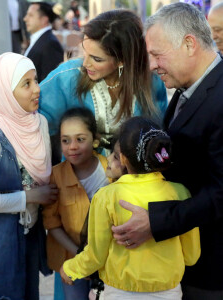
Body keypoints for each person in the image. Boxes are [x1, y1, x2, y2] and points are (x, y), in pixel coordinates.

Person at [111, 3, 223, 299]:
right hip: (186, 263)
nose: (151, 66)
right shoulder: (189, 88)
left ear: (189, 44)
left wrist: (155, 222)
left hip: (212, 270)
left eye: (157, 54)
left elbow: (221, 191)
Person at [0, 9, 168, 164]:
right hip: (78, 189)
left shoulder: (152, 83)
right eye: (85, 53)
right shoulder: (68, 77)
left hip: (133, 190)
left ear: (122, 61)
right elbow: (24, 114)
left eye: (96, 59)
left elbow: (159, 135)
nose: (85, 64)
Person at [60, 116, 200, 300]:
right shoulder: (180, 193)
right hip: (169, 293)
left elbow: (96, 255)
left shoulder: (106, 197)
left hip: (119, 293)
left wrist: (71, 269)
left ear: (124, 159)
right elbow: (191, 256)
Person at [0, 52, 58, 300]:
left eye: (35, 80)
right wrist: (28, 197)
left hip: (30, 240)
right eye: (26, 84)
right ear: (4, 92)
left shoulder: (39, 124)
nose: (37, 89)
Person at [42, 107, 110, 300]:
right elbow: (52, 224)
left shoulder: (110, 171)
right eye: (66, 140)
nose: (72, 146)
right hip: (72, 258)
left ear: (95, 140)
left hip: (108, 261)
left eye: (80, 139)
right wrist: (81, 256)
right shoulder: (56, 176)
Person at [24, 1, 64, 82]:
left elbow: (50, 83)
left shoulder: (50, 44)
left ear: (44, 20)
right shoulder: (39, 40)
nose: (25, 19)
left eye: (30, 15)